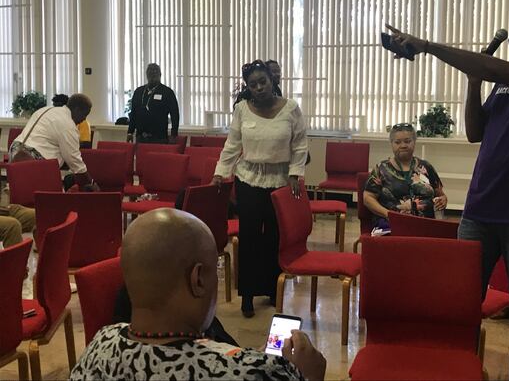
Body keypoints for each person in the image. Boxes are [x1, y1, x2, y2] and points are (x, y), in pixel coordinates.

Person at [386, 0, 509, 380]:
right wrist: (474, 83)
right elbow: (476, 131)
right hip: (479, 212)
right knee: (461, 304)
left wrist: (426, 46)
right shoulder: (504, 79)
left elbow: (500, 70)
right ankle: (459, 370)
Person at [69, 208, 326, 381]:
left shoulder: (99, 346)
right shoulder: (258, 374)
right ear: (198, 279)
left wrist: (246, 358)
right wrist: (304, 376)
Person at [212, 60, 308, 318]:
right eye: (252, 84)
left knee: (275, 237)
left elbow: (300, 144)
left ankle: (270, 288)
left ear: (271, 80)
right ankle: (247, 295)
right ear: (248, 87)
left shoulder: (290, 108)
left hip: (281, 181)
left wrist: (295, 174)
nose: (258, 87)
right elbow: (232, 145)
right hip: (249, 180)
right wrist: (220, 173)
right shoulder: (242, 109)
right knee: (250, 237)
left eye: (262, 82)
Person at [363, 123, 447, 228]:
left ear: (414, 142)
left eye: (407, 141)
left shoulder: (426, 166)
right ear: (391, 144)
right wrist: (387, 214)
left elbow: (440, 194)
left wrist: (443, 199)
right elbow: (367, 198)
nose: (403, 145)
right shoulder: (381, 169)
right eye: (397, 142)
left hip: (426, 224)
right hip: (392, 224)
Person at [9, 94, 99, 190]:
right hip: (34, 160)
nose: (84, 119)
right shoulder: (68, 125)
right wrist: (91, 183)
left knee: (20, 194)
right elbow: (74, 160)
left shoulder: (45, 110)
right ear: (77, 110)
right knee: (48, 199)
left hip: (16, 151)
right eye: (84, 114)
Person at [127, 63, 180, 144]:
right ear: (146, 74)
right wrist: (130, 132)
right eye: (150, 72)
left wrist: (174, 134)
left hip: (159, 138)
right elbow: (134, 113)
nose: (152, 74)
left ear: (160, 74)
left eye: (155, 71)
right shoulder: (139, 91)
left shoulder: (167, 92)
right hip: (141, 137)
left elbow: (175, 114)